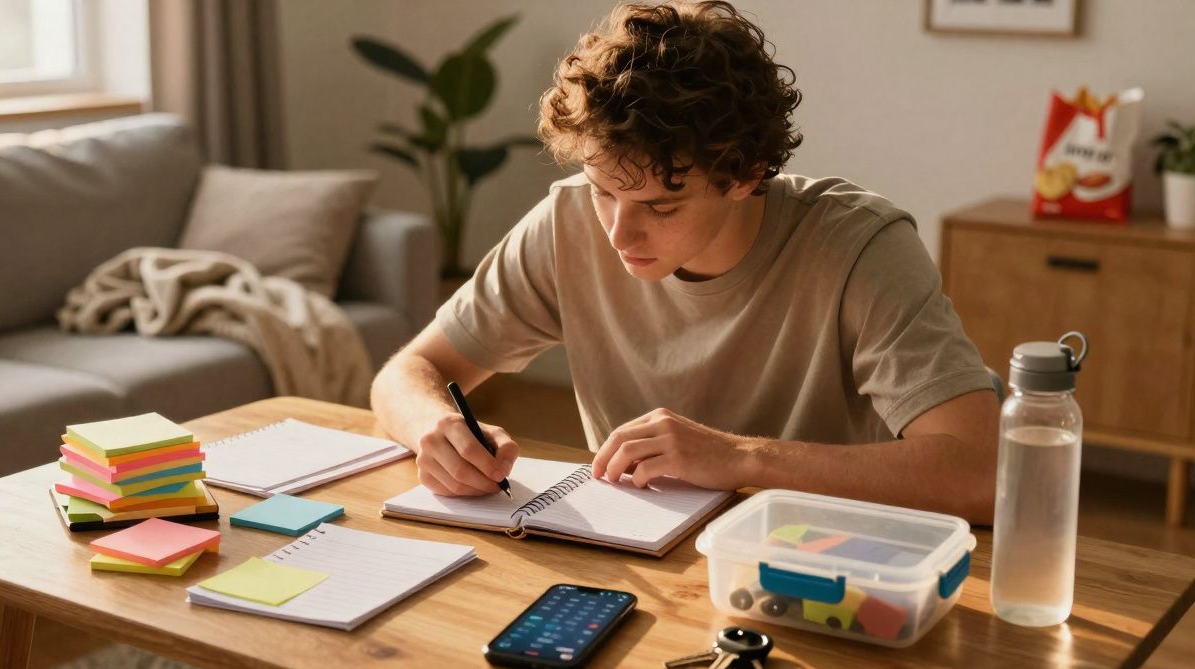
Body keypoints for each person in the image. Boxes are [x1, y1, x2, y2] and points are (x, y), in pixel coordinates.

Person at [370, 0, 998, 523]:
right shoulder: (567, 225)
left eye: (661, 206)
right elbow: (409, 371)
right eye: (603, 191)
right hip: (640, 555)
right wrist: (435, 428)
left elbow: (983, 473)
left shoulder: (861, 247)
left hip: (822, 562)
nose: (618, 231)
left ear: (746, 175)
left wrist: (743, 458)